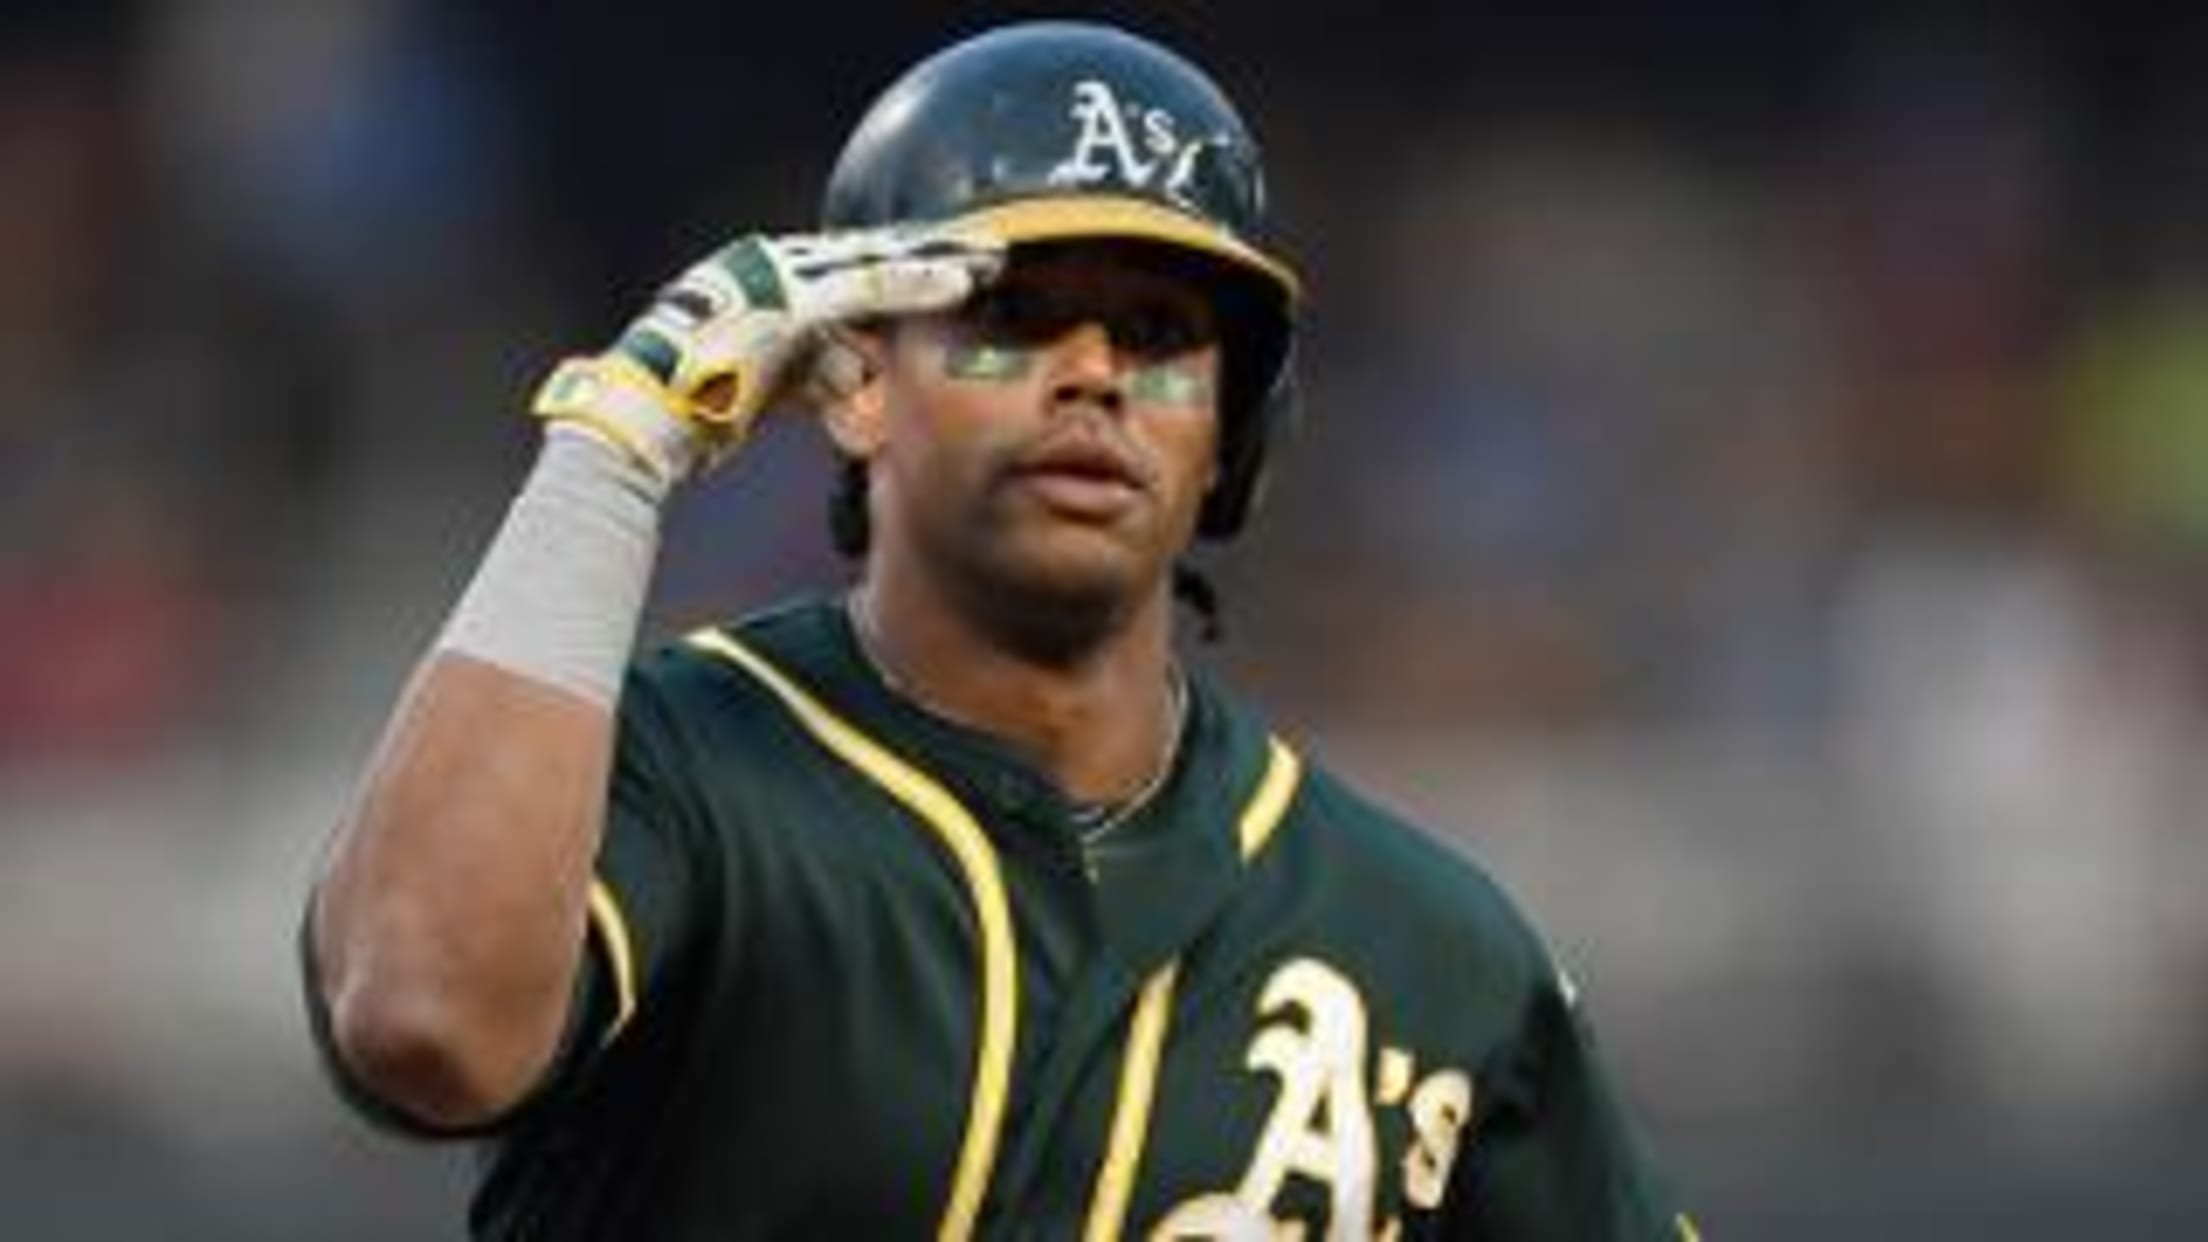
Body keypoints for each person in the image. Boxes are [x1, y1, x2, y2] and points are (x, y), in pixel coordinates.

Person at [301, 20, 1694, 1240]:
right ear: (854, 384)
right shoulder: (672, 763)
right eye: (1010, 319)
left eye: (1158, 334)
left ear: (1232, 436)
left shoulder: (1423, 947)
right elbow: (426, 1019)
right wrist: (614, 451)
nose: (1092, 375)